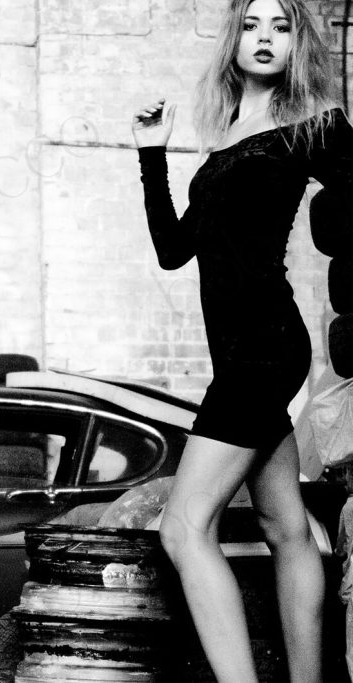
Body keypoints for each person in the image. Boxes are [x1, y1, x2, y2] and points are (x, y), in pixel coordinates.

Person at [131, 0, 353, 681]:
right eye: (252, 25)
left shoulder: (314, 124)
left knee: (183, 527)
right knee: (286, 528)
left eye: (281, 27)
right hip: (240, 354)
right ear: (234, 38)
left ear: (297, 43)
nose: (265, 38)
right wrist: (151, 152)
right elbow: (174, 249)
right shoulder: (228, 138)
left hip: (264, 347)